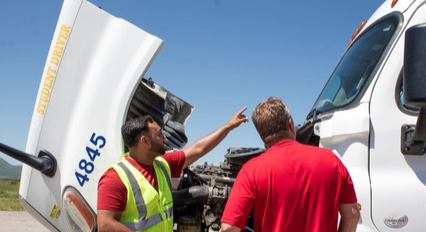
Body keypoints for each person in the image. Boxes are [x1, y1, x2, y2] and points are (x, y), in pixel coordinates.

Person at [96, 107, 248, 232]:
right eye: (159, 134)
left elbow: (198, 149)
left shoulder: (162, 164)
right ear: (145, 141)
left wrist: (228, 127)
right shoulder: (115, 178)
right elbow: (105, 225)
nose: (165, 138)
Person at [220, 97, 360, 232]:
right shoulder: (331, 161)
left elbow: (228, 228)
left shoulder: (251, 170)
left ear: (262, 135)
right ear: (290, 123)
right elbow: (352, 214)